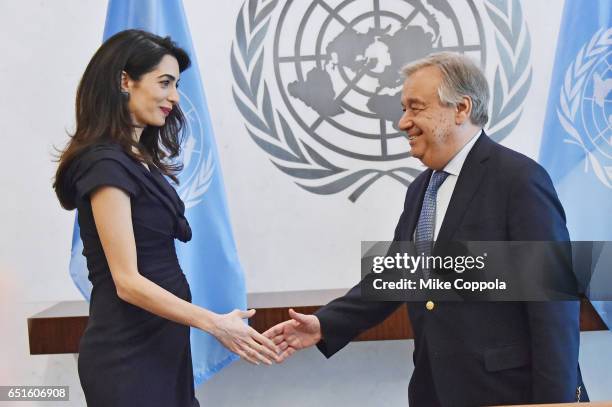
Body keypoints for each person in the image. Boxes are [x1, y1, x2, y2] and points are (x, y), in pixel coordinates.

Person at [266, 52, 587, 406]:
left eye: (415, 108)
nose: (403, 122)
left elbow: (554, 307)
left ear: (461, 109)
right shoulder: (421, 189)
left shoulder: (519, 180)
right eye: (404, 109)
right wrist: (324, 324)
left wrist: (557, 402)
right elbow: (395, 276)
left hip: (508, 393)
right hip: (434, 390)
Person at [53, 29, 279, 407]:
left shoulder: (136, 158)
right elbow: (126, 282)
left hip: (163, 344)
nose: (174, 97)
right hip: (128, 356)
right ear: (125, 80)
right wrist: (213, 322)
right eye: (165, 83)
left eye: (176, 85)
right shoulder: (105, 163)